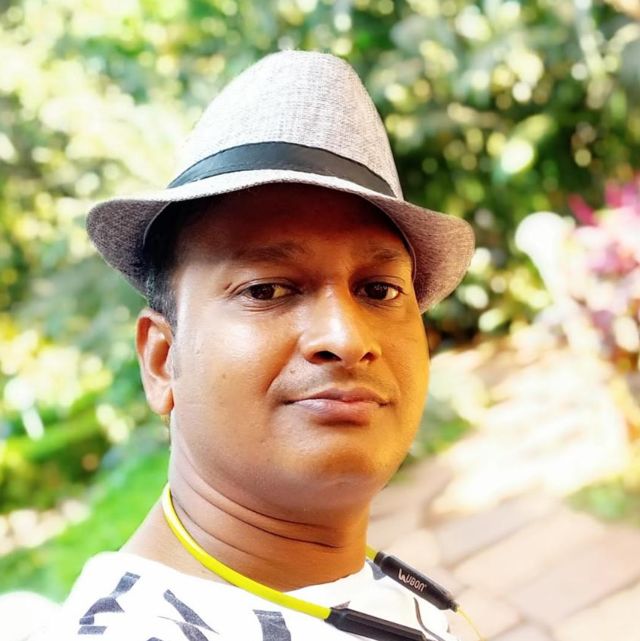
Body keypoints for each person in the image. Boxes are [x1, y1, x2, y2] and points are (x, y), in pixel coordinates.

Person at [36, 50, 474, 641]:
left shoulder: (369, 584)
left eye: (378, 289)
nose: (346, 338)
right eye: (266, 290)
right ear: (162, 362)